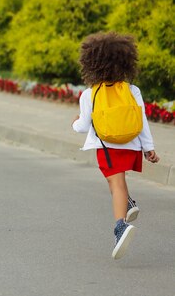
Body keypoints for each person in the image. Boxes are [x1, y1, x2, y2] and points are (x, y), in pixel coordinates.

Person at [72, 33, 159, 259]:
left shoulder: (89, 94)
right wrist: (149, 148)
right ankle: (128, 203)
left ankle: (120, 227)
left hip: (107, 147)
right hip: (130, 144)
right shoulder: (132, 90)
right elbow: (142, 121)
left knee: (116, 183)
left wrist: (73, 124)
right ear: (125, 62)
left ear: (91, 63)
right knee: (116, 183)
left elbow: (82, 126)